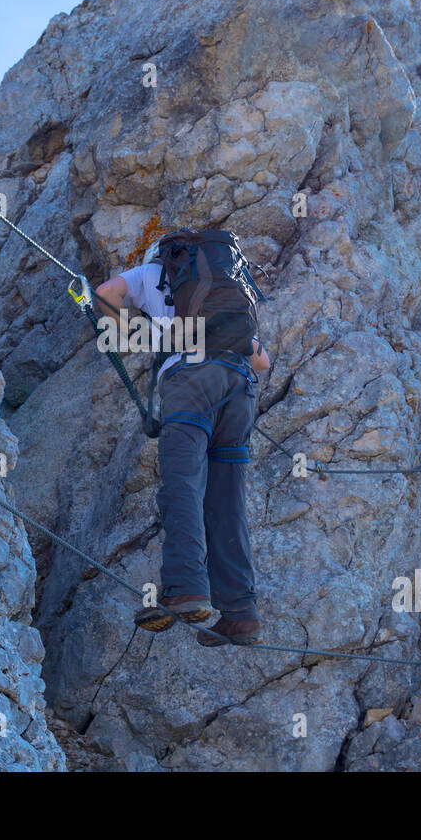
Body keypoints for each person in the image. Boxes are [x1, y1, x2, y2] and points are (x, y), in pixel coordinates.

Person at [95, 236, 270, 646]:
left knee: (182, 484)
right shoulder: (231, 290)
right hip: (238, 386)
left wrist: (142, 336)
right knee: (228, 503)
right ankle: (241, 614)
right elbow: (262, 360)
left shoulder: (151, 274)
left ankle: (185, 588)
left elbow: (105, 294)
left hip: (191, 383)